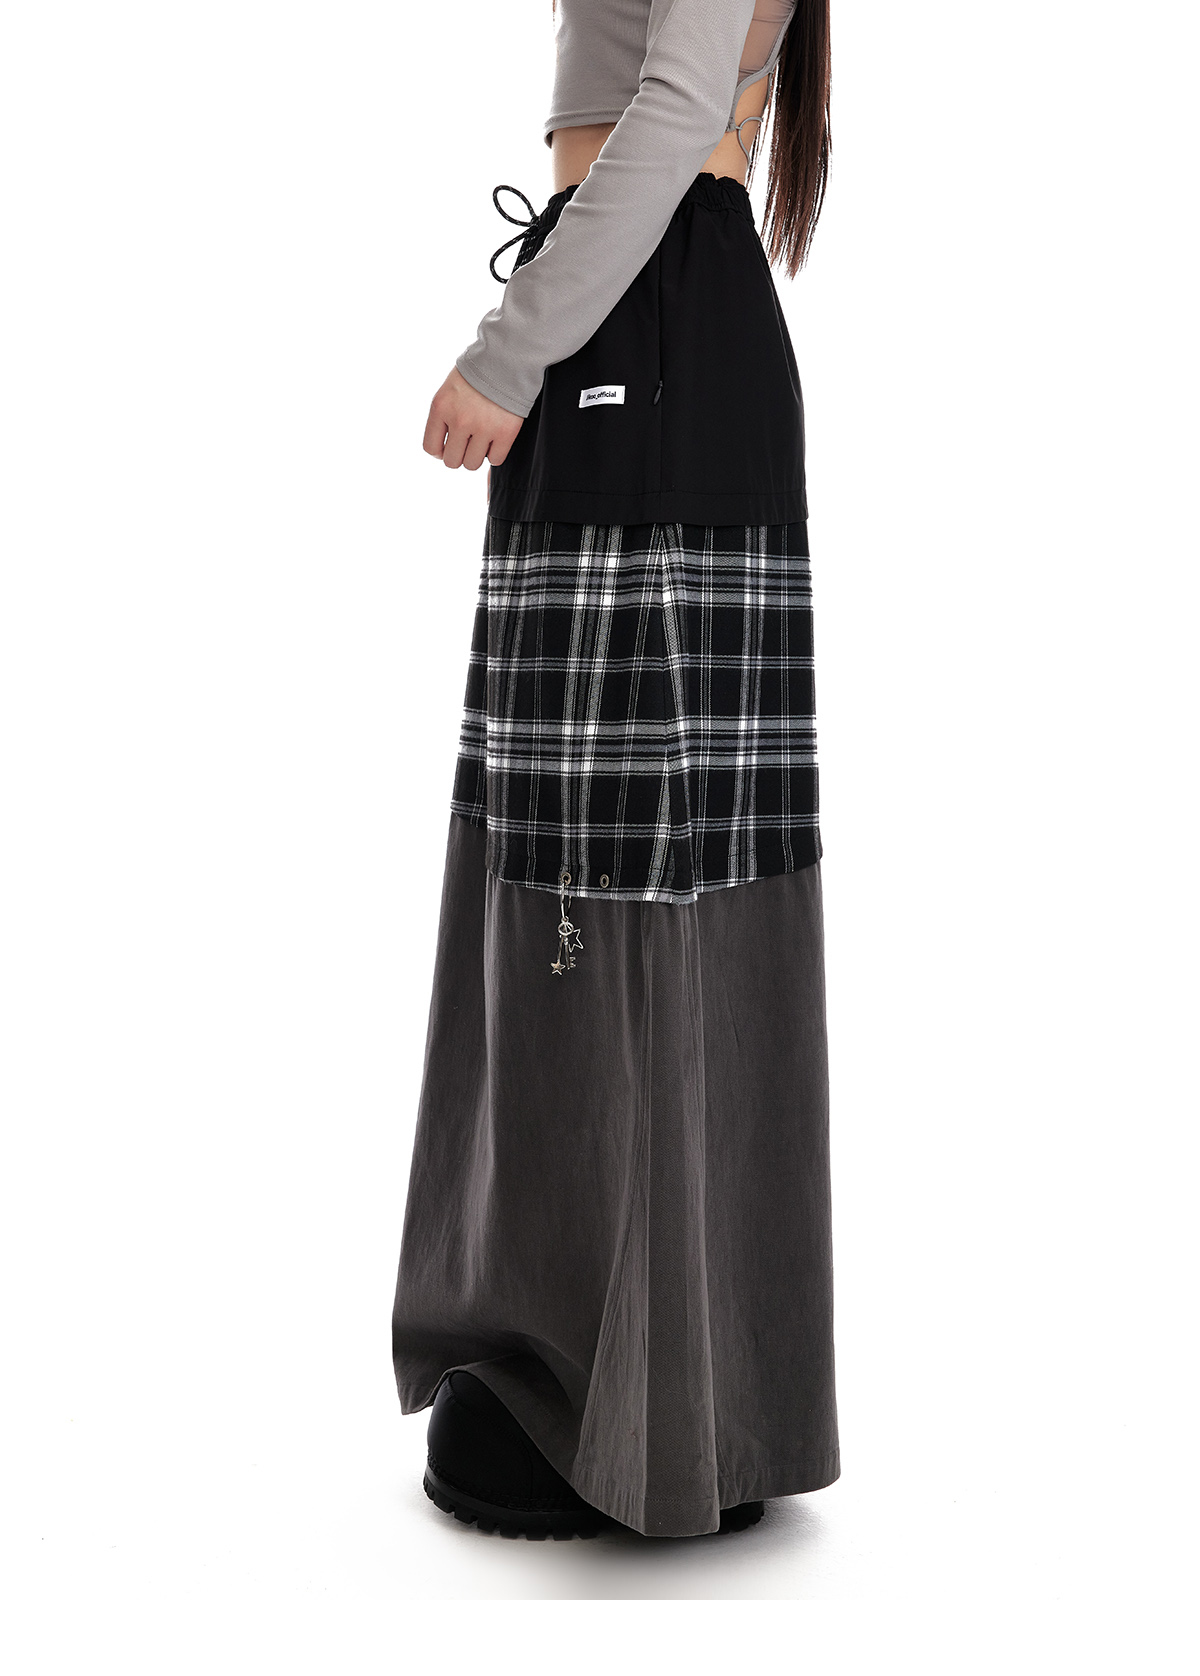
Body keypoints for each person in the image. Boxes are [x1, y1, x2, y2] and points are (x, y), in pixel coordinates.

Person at [392, 0, 838, 1540]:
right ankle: (693, 1398)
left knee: (610, 870)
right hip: (648, 329)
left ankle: (621, 1405)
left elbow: (671, 108)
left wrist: (510, 352)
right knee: (631, 859)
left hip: (634, 330)